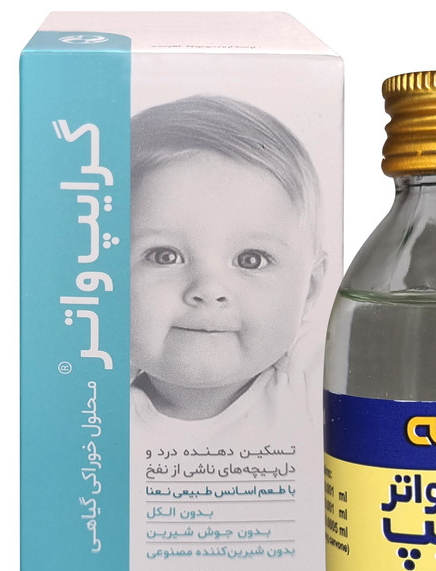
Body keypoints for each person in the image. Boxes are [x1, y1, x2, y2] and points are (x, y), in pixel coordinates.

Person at [130, 95, 326, 428]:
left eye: (251, 260)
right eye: (164, 256)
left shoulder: (317, 379)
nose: (208, 290)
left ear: (309, 288)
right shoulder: (90, 402)